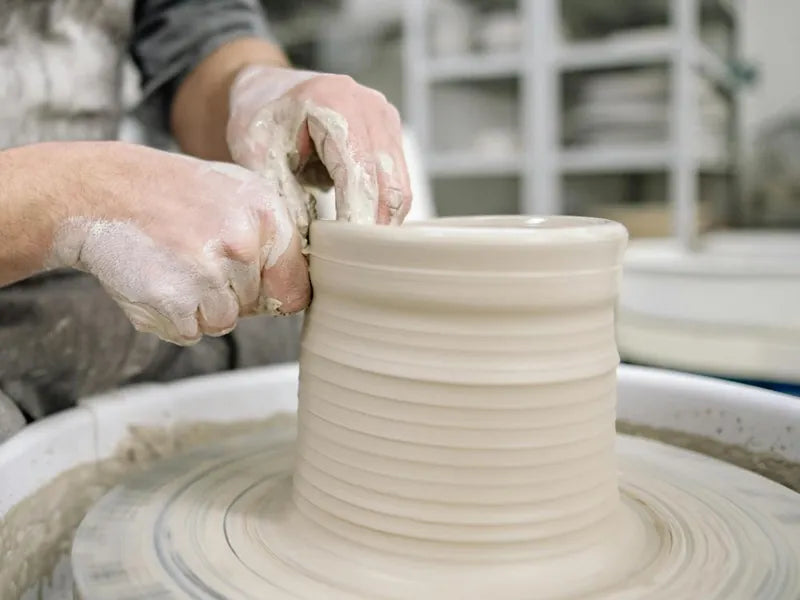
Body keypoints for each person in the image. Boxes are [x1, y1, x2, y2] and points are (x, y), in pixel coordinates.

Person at [0, 0, 412, 440]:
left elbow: (198, 31)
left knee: (314, 337)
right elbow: (76, 199)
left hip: (82, 266)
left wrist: (251, 87)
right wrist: (75, 196)